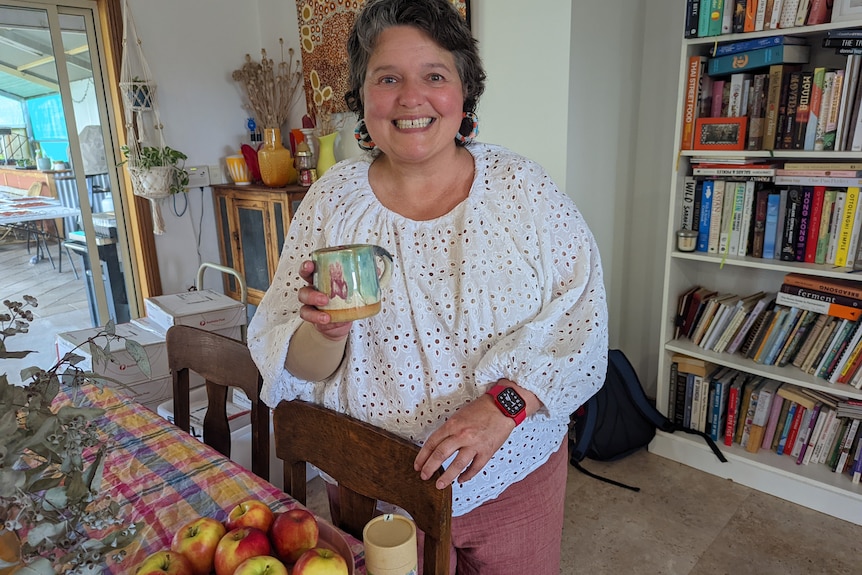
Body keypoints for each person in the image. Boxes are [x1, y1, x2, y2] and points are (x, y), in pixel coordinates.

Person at [247, 0, 608, 572]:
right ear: (362, 98)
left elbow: (580, 326)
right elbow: (300, 365)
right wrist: (327, 331)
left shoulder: (525, 191)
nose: (411, 98)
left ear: (464, 91)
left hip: (514, 477)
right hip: (376, 488)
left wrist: (504, 407)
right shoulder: (330, 203)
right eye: (387, 78)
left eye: (434, 76)